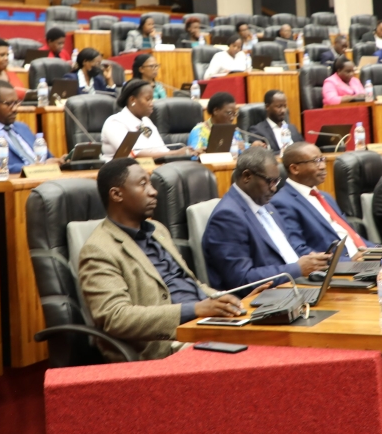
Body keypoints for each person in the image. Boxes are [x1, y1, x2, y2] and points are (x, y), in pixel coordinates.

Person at [78, 158, 259, 361]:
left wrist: (237, 301)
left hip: (201, 322)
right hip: (167, 342)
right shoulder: (98, 249)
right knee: (251, 356)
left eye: (151, 183)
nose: (153, 191)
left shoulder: (158, 230)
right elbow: (116, 317)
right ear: (117, 194)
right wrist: (195, 309)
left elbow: (192, 285)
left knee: (270, 332)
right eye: (142, 184)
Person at [202, 146, 331, 290]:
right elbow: (242, 279)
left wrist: (316, 260)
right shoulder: (227, 217)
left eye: (276, 181)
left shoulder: (266, 205)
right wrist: (297, 269)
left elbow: (288, 249)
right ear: (247, 176)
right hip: (262, 299)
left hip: (296, 286)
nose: (274, 188)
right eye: (270, 181)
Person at [271, 142, 376, 259]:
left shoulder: (326, 197)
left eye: (322, 159)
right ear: (295, 168)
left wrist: (379, 250)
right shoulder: (282, 203)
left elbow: (350, 235)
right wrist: (348, 262)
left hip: (361, 260)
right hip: (338, 269)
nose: (323, 166)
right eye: (316, 161)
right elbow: (299, 251)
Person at [100, 80, 191, 160]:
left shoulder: (146, 121)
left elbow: (161, 150)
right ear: (132, 100)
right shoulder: (115, 122)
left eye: (152, 99)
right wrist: (176, 153)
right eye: (148, 99)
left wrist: (185, 153)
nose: (152, 104)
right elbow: (133, 154)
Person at [249, 90, 303, 154]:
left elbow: (303, 147)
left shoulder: (292, 128)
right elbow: (262, 155)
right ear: (267, 107)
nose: (283, 110)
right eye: (279, 106)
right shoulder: (257, 131)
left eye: (285, 106)